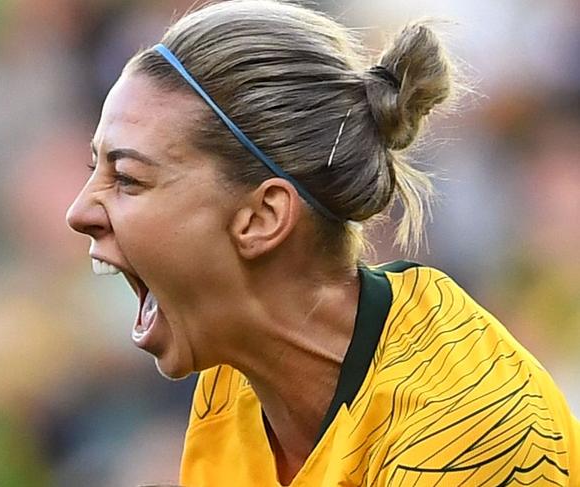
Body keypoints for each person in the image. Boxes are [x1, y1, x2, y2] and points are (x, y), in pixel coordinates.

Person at [66, 0, 580, 485]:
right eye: (96, 169)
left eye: (127, 179)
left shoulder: (468, 434)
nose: (79, 212)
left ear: (262, 217)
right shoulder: (233, 381)